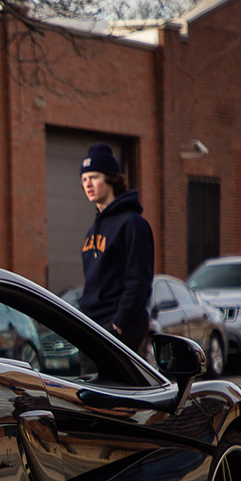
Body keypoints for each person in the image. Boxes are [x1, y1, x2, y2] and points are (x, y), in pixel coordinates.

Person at [78, 142, 154, 355]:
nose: (88, 184)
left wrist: (118, 323)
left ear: (111, 178)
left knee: (120, 388)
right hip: (92, 327)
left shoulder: (132, 224)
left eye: (94, 177)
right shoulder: (92, 230)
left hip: (118, 329)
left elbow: (139, 282)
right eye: (84, 179)